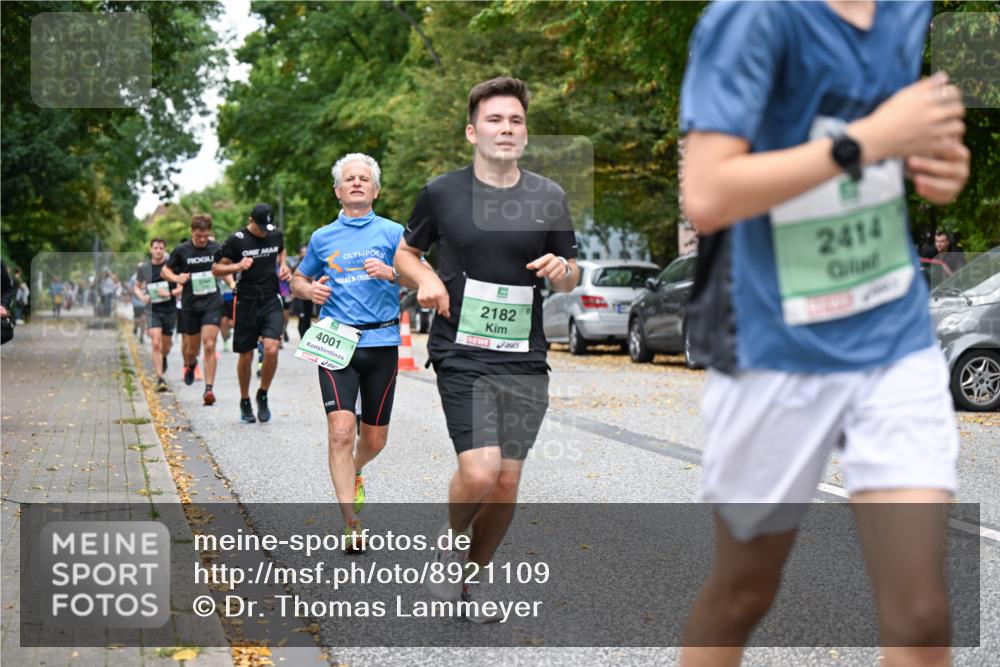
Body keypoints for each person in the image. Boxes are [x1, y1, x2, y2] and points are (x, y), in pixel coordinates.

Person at [677, 2, 970, 666]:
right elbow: (709, 192)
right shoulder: (753, 18)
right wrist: (864, 142)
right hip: (774, 348)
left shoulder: (905, 10)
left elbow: (902, 143)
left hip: (891, 336)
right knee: (744, 593)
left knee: (922, 615)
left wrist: (943, 167)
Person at [394, 77, 579, 621]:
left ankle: (471, 583)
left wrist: (561, 270)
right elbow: (406, 252)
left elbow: (570, 275)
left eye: (516, 120)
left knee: (506, 484)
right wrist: (423, 278)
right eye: (495, 120)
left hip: (524, 357)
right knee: (480, 473)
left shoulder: (549, 196)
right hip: (462, 351)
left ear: (525, 134)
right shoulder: (442, 193)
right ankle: (450, 547)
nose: (506, 128)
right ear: (473, 131)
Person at [292, 153, 413, 550]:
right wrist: (309, 291)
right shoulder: (322, 237)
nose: (357, 183)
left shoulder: (395, 233)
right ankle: (350, 523)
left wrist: (393, 272)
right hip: (336, 341)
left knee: (374, 440)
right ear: (338, 191)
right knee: (342, 430)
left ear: (376, 190)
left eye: (364, 178)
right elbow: (298, 278)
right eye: (350, 179)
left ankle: (357, 469)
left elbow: (421, 274)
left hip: (381, 343)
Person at [213, 203, 291, 423]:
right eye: (260, 227)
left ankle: (263, 393)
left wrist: (283, 266)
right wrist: (237, 267)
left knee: (272, 348)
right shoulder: (236, 240)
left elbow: (281, 250)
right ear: (250, 221)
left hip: (270, 297)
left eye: (267, 227)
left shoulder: (275, 234)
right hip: (246, 300)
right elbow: (217, 268)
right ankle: (245, 400)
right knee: (246, 355)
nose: (264, 231)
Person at [161, 215, 224, 405]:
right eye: (199, 236)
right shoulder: (182, 250)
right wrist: (177, 279)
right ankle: (191, 364)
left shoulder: (216, 248)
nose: (202, 240)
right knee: (191, 349)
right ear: (192, 232)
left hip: (212, 302)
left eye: (205, 236)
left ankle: (209, 389)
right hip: (190, 305)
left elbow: (227, 266)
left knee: (210, 344)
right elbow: (165, 271)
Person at [138, 239, 178, 392]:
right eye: (156, 248)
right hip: (152, 310)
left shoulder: (172, 266)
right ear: (151, 250)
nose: (159, 251)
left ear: (165, 249)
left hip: (169, 309)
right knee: (155, 342)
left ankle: (164, 357)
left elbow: (181, 286)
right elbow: (137, 287)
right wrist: (142, 296)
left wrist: (168, 293)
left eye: (161, 248)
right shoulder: (144, 268)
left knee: (166, 345)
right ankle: (160, 378)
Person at [289, 245, 314, 340]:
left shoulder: (312, 264)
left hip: (309, 296)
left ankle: (306, 338)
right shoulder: (296, 265)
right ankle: (303, 338)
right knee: (302, 317)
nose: (305, 253)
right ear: (299, 253)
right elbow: (292, 280)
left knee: (308, 318)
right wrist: (292, 293)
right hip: (299, 297)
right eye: (303, 251)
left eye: (306, 251)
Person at [129, 266, 148, 343]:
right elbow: (131, 289)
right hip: (136, 302)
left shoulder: (148, 277)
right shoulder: (133, 278)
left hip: (145, 302)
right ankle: (136, 326)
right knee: (137, 319)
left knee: (143, 319)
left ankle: (141, 337)